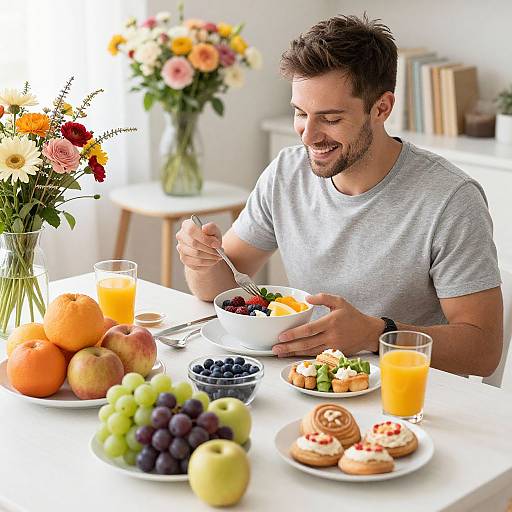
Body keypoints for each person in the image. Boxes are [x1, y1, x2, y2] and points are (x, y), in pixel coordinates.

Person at [176, 14, 503, 377]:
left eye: (330, 119)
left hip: (408, 399)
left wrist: (377, 334)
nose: (308, 136)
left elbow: (482, 349)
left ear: (381, 108)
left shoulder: (450, 199)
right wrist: (201, 261)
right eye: (300, 113)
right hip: (307, 381)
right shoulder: (287, 173)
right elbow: (219, 286)